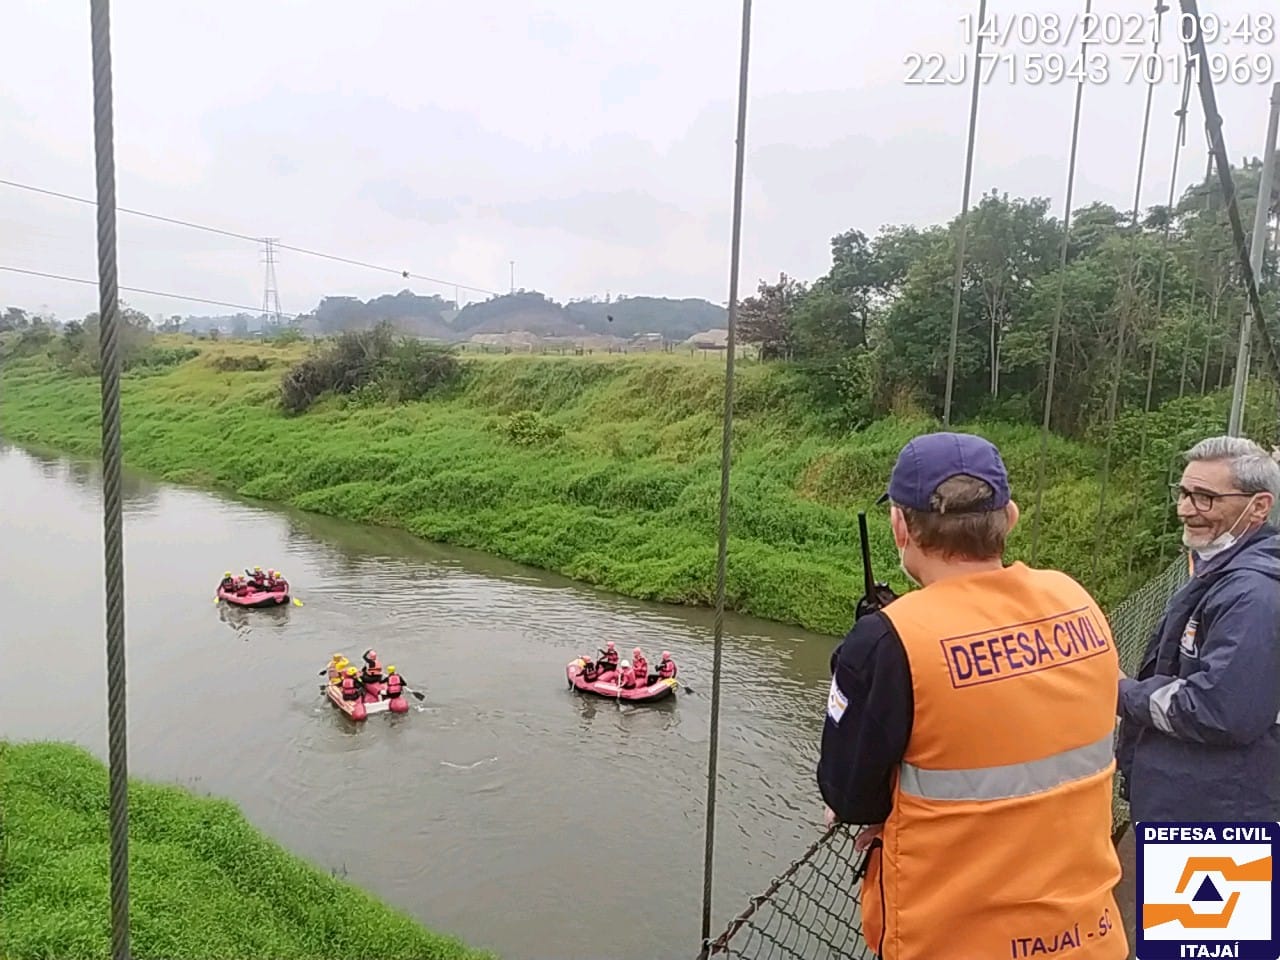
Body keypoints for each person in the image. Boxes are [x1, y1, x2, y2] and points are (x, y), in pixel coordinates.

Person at [816, 431, 1126, 960]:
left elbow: (848, 796)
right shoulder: (1076, 601)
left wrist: (867, 663)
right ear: (1010, 518)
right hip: (1090, 935)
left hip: (953, 943)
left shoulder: (894, 641)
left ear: (899, 527)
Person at [1116, 437, 1280, 822]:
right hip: (1198, 799)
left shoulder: (1253, 594)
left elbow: (1221, 710)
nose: (1186, 510)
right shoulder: (1220, 571)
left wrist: (1121, 692)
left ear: (1259, 506)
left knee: (1199, 888)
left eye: (1205, 498)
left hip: (1219, 811)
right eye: (1185, 493)